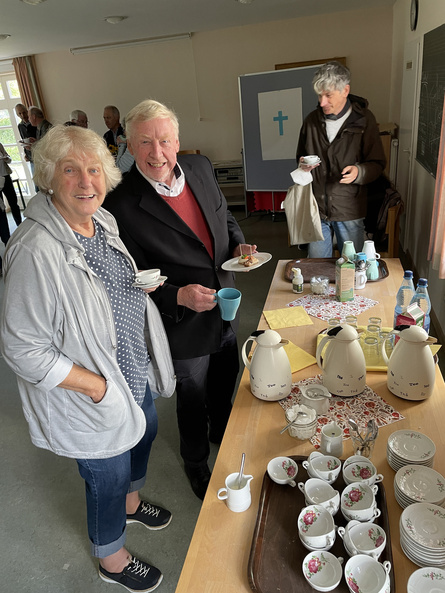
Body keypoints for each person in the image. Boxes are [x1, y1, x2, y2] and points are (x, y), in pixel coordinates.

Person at [0, 124, 176, 592]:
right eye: (70, 170)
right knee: (107, 472)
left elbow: (100, 286)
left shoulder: (103, 222)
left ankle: (132, 505)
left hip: (130, 365)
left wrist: (137, 286)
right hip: (91, 389)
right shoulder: (34, 250)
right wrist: (96, 387)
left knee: (146, 432)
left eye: (94, 169)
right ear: (48, 178)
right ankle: (111, 557)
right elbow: (22, 347)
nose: (86, 181)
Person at [103, 99, 257, 500]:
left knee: (226, 371)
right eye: (145, 143)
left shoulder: (201, 168)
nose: (157, 153)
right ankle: (195, 463)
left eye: (165, 141)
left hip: (226, 297)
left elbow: (224, 217)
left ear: (177, 141)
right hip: (181, 319)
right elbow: (130, 277)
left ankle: (221, 429)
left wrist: (240, 246)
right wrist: (178, 296)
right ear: (129, 145)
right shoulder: (119, 203)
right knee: (191, 395)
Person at [296, 61, 386, 257]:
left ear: (345, 90)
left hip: (349, 209)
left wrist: (359, 172)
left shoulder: (364, 120)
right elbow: (300, 157)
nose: (322, 102)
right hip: (317, 209)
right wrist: (303, 166)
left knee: (352, 268)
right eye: (319, 95)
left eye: (328, 95)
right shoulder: (311, 121)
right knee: (317, 272)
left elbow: (377, 163)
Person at [0, 141, 22, 240]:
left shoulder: (0, 145)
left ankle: (20, 226)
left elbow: (9, 159)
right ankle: (6, 237)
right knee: (1, 209)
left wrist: (6, 158)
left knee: (13, 202)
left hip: (6, 177)